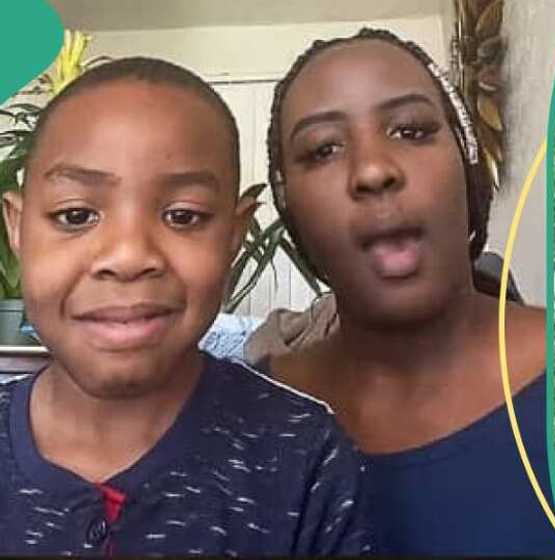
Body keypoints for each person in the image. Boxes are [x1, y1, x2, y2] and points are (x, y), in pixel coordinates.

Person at [0, 57, 374, 555]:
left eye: (183, 216)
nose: (129, 256)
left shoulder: (303, 458)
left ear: (234, 237)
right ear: (17, 228)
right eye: (76, 215)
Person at [256, 28, 555, 557]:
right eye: (323, 149)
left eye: (411, 130)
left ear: (466, 159)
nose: (373, 171)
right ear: (288, 202)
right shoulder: (247, 423)